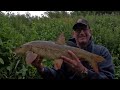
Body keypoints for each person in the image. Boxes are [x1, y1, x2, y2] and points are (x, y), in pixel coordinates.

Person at [31, 18, 115, 79]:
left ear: (90, 32)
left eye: (84, 29)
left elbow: (108, 77)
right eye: (78, 30)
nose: (81, 32)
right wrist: (41, 68)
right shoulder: (64, 51)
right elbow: (56, 75)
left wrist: (84, 71)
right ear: (73, 34)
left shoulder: (101, 52)